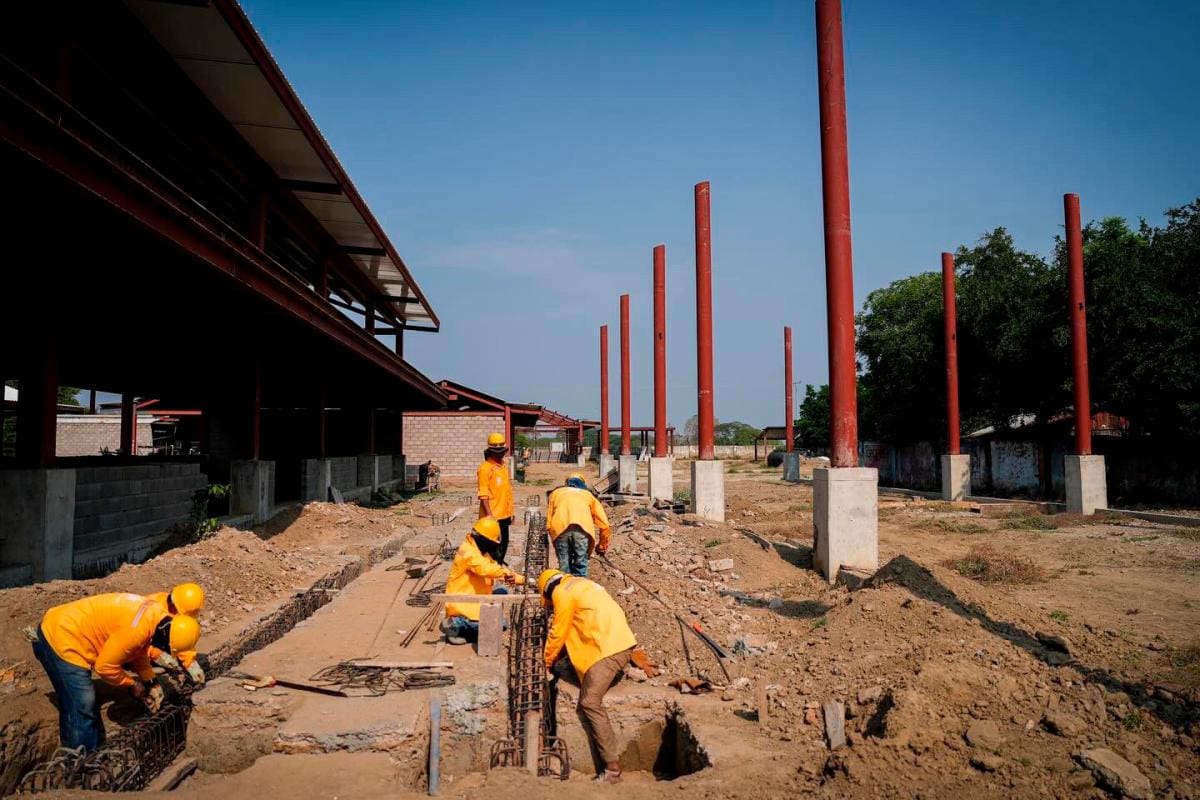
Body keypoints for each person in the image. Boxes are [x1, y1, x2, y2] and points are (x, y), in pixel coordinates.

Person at [30, 593, 202, 751]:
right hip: (60, 636)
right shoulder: (136, 631)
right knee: (81, 700)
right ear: (165, 636)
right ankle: (80, 761)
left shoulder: (155, 616)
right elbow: (104, 668)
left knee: (83, 698)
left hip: (70, 625)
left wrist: (151, 682)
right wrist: (133, 684)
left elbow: (140, 651)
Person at [539, 569, 637, 784]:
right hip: (618, 640)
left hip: (610, 650)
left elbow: (559, 630)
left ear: (547, 590)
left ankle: (612, 770)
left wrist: (547, 662)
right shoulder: (580, 584)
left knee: (589, 702)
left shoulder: (561, 593)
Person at [441, 518, 526, 645]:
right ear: (484, 539)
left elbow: (496, 568)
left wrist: (521, 579)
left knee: (502, 591)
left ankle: (470, 627)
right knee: (499, 624)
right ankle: (455, 625)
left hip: (478, 597)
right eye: (492, 542)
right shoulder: (468, 552)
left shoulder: (479, 550)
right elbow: (486, 569)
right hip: (462, 604)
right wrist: (507, 574)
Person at [546, 473, 611, 577]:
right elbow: (605, 525)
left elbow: (549, 521)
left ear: (566, 483)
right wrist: (602, 545)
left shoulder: (556, 493)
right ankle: (580, 589)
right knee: (581, 565)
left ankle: (564, 590)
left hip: (560, 529)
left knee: (564, 567)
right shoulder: (588, 495)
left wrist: (554, 537)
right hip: (582, 530)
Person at [145, 582, 207, 685]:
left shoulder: (178, 608)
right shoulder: (152, 609)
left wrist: (190, 664)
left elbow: (181, 639)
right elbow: (136, 641)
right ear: (174, 604)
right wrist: (156, 654)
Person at [476, 432, 514, 564]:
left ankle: (499, 564)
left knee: (504, 543)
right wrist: (489, 516)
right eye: (497, 452)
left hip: (504, 515)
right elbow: (483, 494)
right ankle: (492, 569)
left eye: (502, 451)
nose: (500, 454)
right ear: (491, 452)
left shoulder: (503, 467)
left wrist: (510, 513)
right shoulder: (485, 469)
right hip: (492, 516)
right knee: (492, 546)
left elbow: (507, 492)